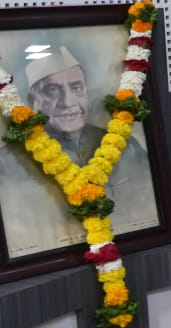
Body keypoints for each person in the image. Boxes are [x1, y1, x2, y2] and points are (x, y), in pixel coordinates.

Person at [0, 47, 158, 257]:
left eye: (76, 88)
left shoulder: (127, 147)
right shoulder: (7, 163)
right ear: (31, 102)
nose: (68, 102)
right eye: (52, 91)